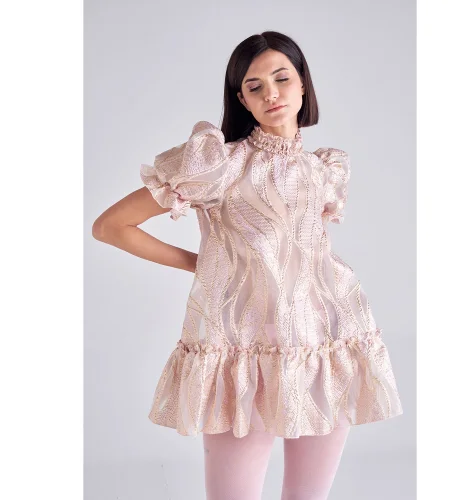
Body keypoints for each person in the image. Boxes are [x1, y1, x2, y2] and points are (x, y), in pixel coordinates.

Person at [93, 30, 403, 500]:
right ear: (242, 99)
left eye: (282, 78)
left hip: (326, 345)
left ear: (303, 84)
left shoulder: (324, 169)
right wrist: (201, 264)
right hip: (238, 354)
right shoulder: (219, 164)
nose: (271, 93)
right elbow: (111, 226)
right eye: (255, 86)